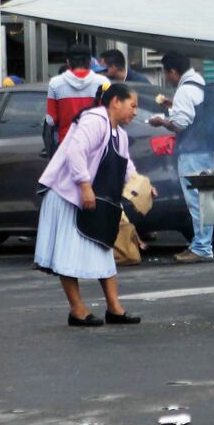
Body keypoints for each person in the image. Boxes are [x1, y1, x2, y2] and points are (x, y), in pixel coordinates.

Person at [35, 83, 143, 327]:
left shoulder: (119, 134)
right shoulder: (94, 120)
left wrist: (142, 188)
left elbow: (126, 166)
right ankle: (77, 310)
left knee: (103, 250)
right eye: (133, 105)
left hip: (95, 201)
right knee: (67, 253)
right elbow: (75, 151)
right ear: (116, 101)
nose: (135, 112)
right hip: (67, 196)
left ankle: (114, 309)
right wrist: (84, 185)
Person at [148, 52, 214, 263]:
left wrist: (161, 121)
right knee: (202, 200)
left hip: (192, 154)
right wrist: (172, 105)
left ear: (173, 72)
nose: (166, 78)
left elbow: (180, 125)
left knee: (196, 201)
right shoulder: (199, 83)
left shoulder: (185, 90)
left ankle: (202, 247)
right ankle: (200, 244)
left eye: (166, 74)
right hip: (204, 151)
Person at [45, 44, 109, 146]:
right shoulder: (103, 82)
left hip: (66, 144)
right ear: (90, 61)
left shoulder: (55, 83)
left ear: (68, 62)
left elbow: (50, 120)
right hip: (96, 144)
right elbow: (109, 114)